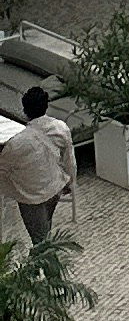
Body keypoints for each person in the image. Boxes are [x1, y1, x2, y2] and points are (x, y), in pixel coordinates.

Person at [0, 87, 74, 244]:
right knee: (44, 230)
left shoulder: (17, 144)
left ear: (25, 110)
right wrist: (69, 181)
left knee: (39, 240)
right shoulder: (60, 128)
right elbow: (69, 160)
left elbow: (3, 169)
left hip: (32, 196)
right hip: (55, 187)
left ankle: (47, 266)